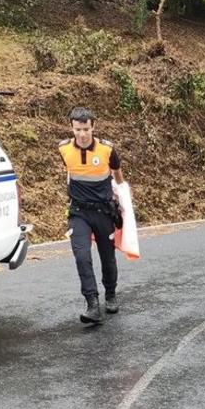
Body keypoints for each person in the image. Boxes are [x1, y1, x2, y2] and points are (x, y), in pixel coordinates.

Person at [59, 106, 124, 325]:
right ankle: (92, 304)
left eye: (86, 129)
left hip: (103, 212)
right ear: (72, 128)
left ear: (93, 127)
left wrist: (121, 194)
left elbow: (117, 173)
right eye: (78, 129)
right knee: (82, 256)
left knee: (107, 258)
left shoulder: (107, 150)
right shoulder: (63, 149)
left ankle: (111, 294)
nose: (82, 134)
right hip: (78, 213)